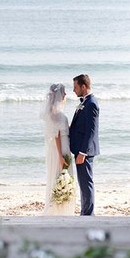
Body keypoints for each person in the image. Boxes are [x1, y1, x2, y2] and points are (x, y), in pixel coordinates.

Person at [41, 83, 76, 215]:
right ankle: (60, 209)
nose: (66, 95)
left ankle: (59, 207)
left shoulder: (51, 114)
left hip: (57, 149)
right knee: (61, 176)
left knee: (57, 177)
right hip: (61, 148)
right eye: (64, 92)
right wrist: (61, 156)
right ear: (59, 95)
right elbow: (56, 136)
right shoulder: (58, 115)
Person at [69, 74, 100, 216]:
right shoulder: (85, 102)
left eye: (75, 87)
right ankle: (85, 212)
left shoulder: (91, 103)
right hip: (80, 150)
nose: (73, 90)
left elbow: (91, 131)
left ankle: (88, 214)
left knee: (86, 183)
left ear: (83, 86)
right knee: (82, 183)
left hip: (85, 152)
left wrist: (83, 152)